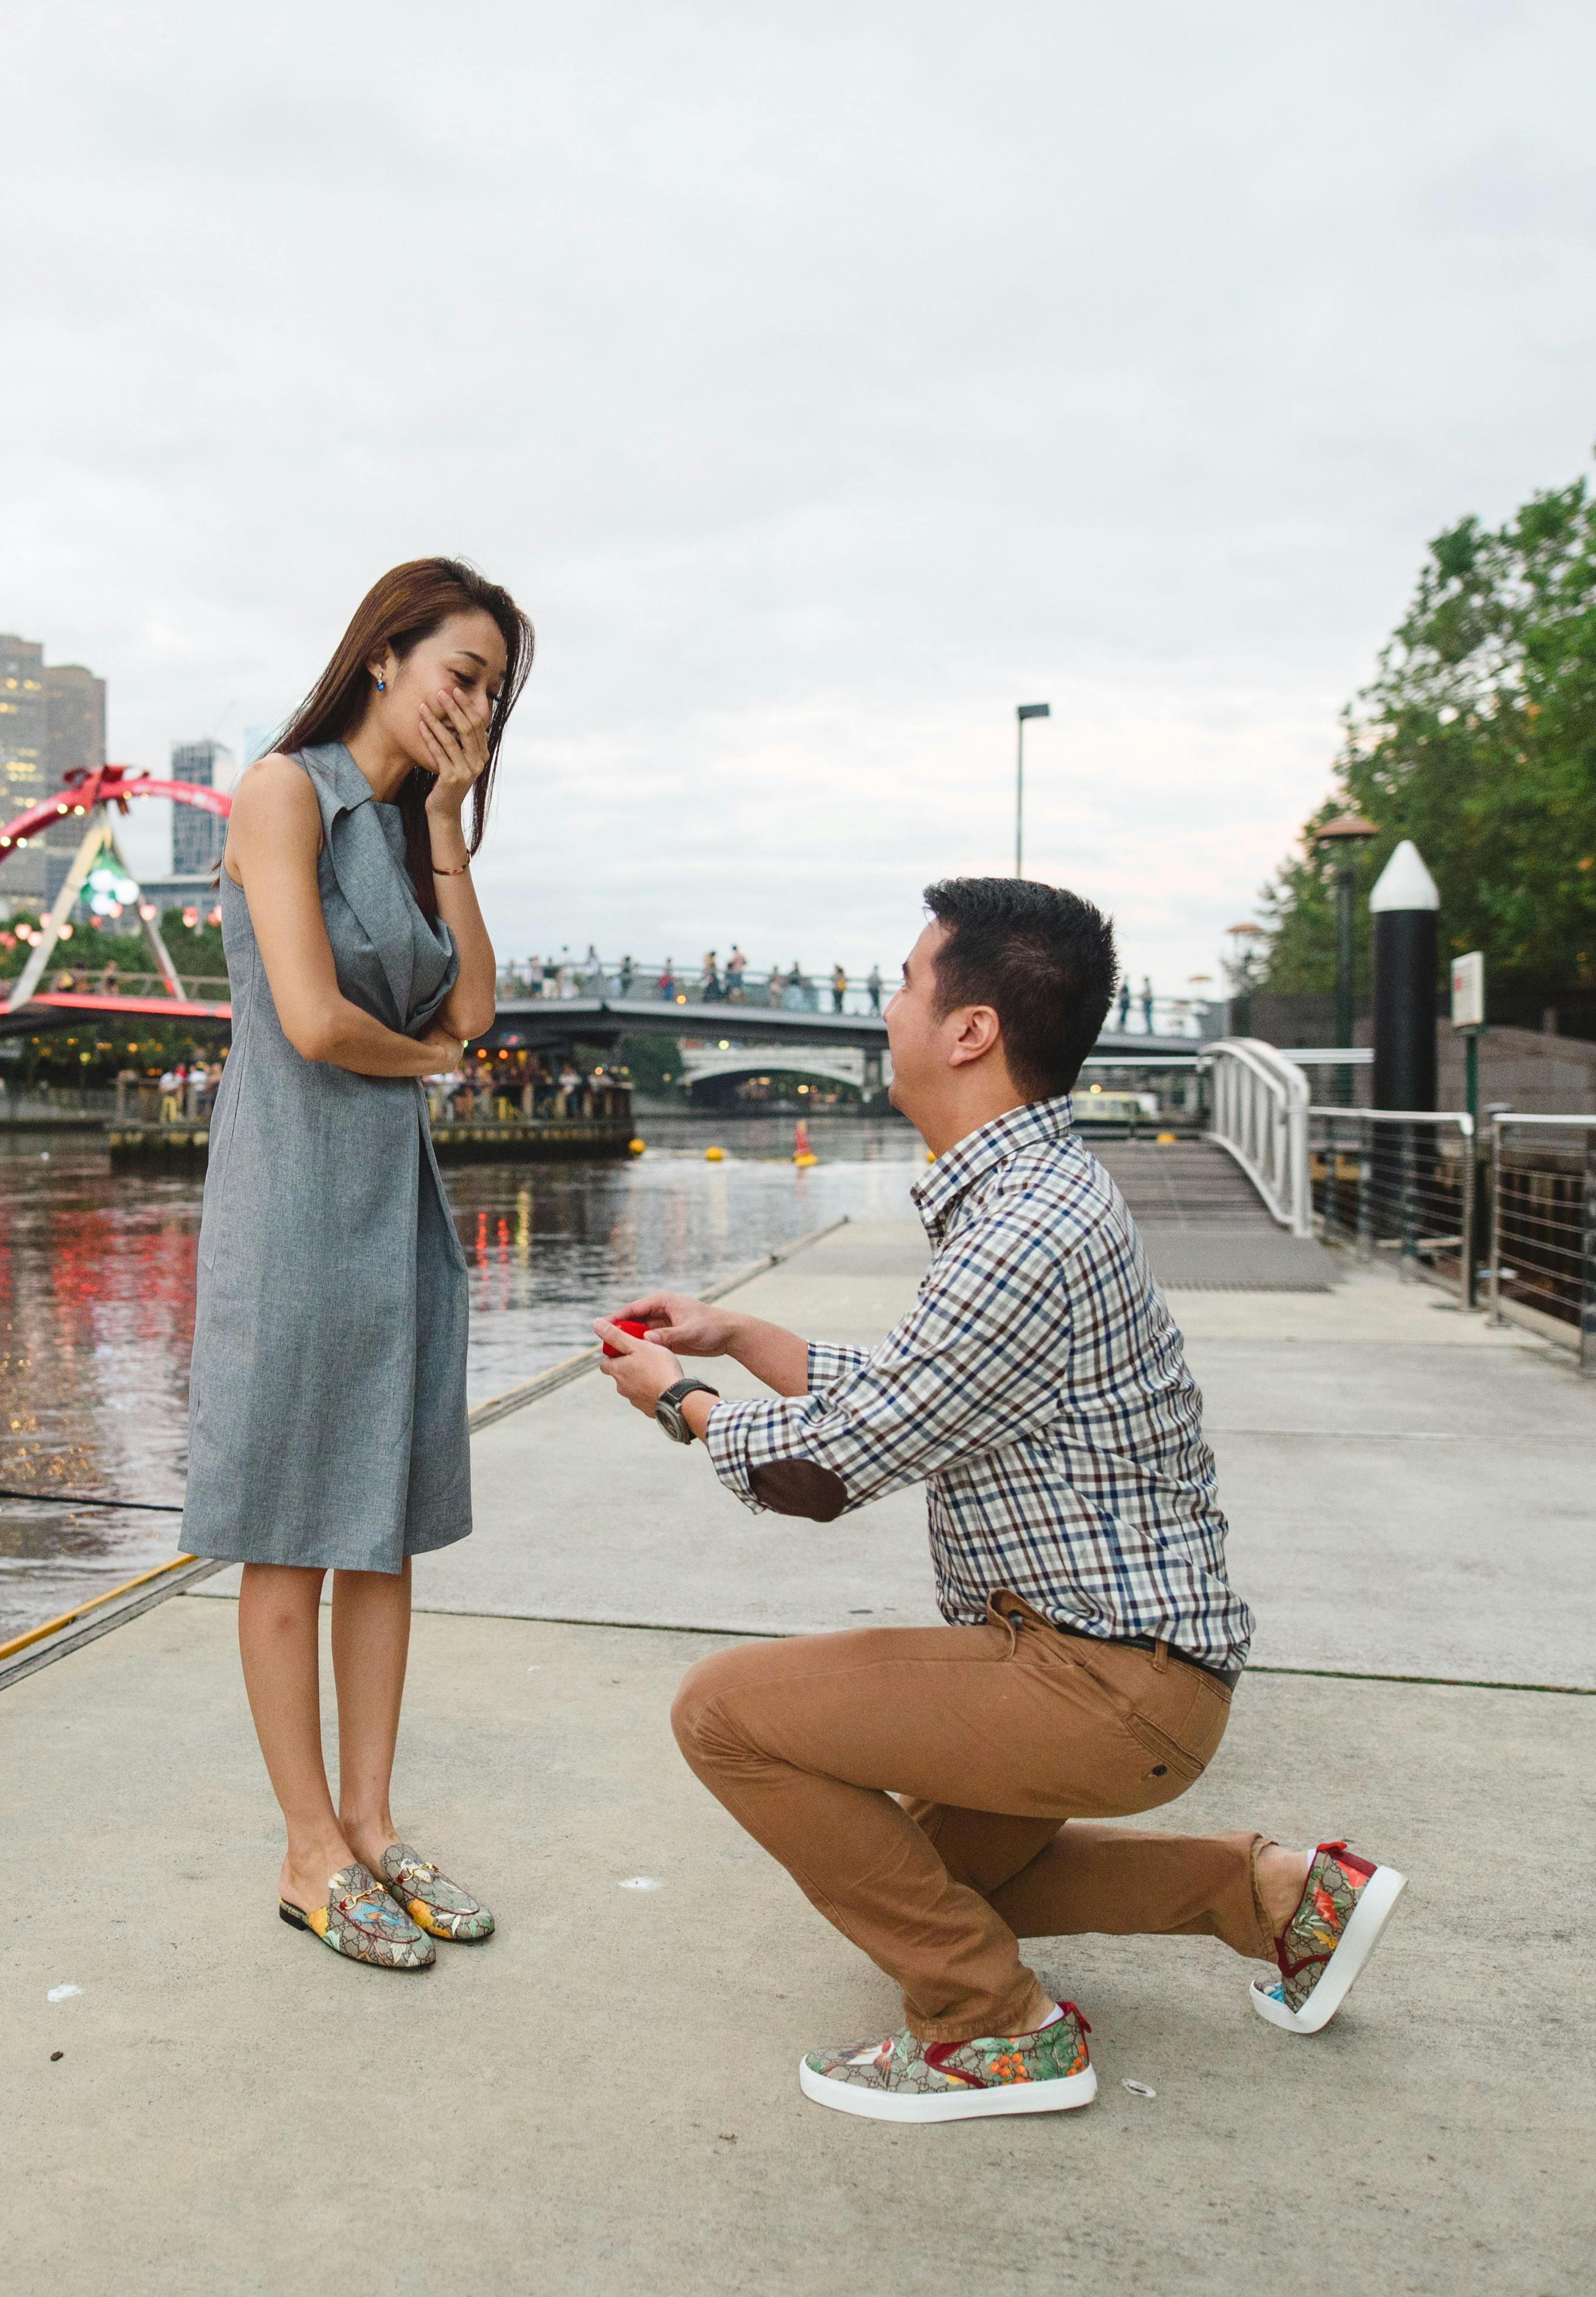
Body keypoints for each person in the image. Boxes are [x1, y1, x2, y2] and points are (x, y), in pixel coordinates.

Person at [595, 877, 1404, 2120]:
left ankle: (992, 2027)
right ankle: (1285, 1901)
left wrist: (673, 1401)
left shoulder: (1023, 1227)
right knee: (918, 1875)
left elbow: (835, 1470)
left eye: (906, 985)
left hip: (1098, 1681)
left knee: (724, 1716)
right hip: (1118, 1668)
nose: (886, 1012)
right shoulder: (1034, 1199)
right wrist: (745, 1337)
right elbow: (933, 1394)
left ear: (970, 1029)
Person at [185, 556, 531, 1973]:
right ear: (386, 656)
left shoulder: (400, 827)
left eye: (498, 695)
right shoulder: (286, 795)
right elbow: (320, 1022)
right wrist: (437, 1065)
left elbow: (478, 1003)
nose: (477, 708)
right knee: (291, 1537)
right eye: (463, 674)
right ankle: (307, 1848)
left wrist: (449, 819)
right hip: (292, 1208)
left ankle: (374, 1827)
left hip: (393, 1208)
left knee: (379, 1531)